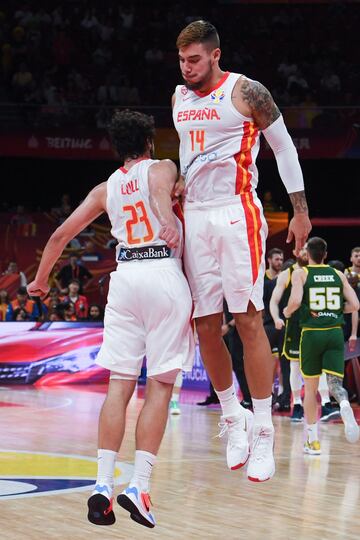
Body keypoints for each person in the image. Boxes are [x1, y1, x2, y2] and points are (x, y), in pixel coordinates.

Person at [27, 109, 194, 529]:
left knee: (118, 387)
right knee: (159, 386)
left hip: (124, 282)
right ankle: (138, 485)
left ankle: (102, 486)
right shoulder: (162, 166)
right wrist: (167, 218)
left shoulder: (106, 188)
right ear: (150, 143)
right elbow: (158, 191)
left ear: (118, 148)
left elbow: (59, 235)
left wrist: (41, 281)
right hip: (160, 272)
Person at [173, 20, 312, 481]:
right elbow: (188, 151)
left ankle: (263, 431)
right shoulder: (178, 98)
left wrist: (299, 211)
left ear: (215, 55)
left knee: (249, 319)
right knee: (205, 324)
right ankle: (232, 417)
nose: (187, 67)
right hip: (194, 215)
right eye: (181, 60)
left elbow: (285, 147)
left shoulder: (246, 91)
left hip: (237, 213)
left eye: (194, 59)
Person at [283, 237, 360, 455]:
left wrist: (287, 312)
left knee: (311, 389)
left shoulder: (301, 273)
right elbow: (355, 304)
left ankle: (313, 441)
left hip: (312, 334)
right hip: (335, 333)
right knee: (335, 385)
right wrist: (334, 312)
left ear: (307, 254)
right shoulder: (338, 274)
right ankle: (344, 405)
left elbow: (296, 301)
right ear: (325, 254)